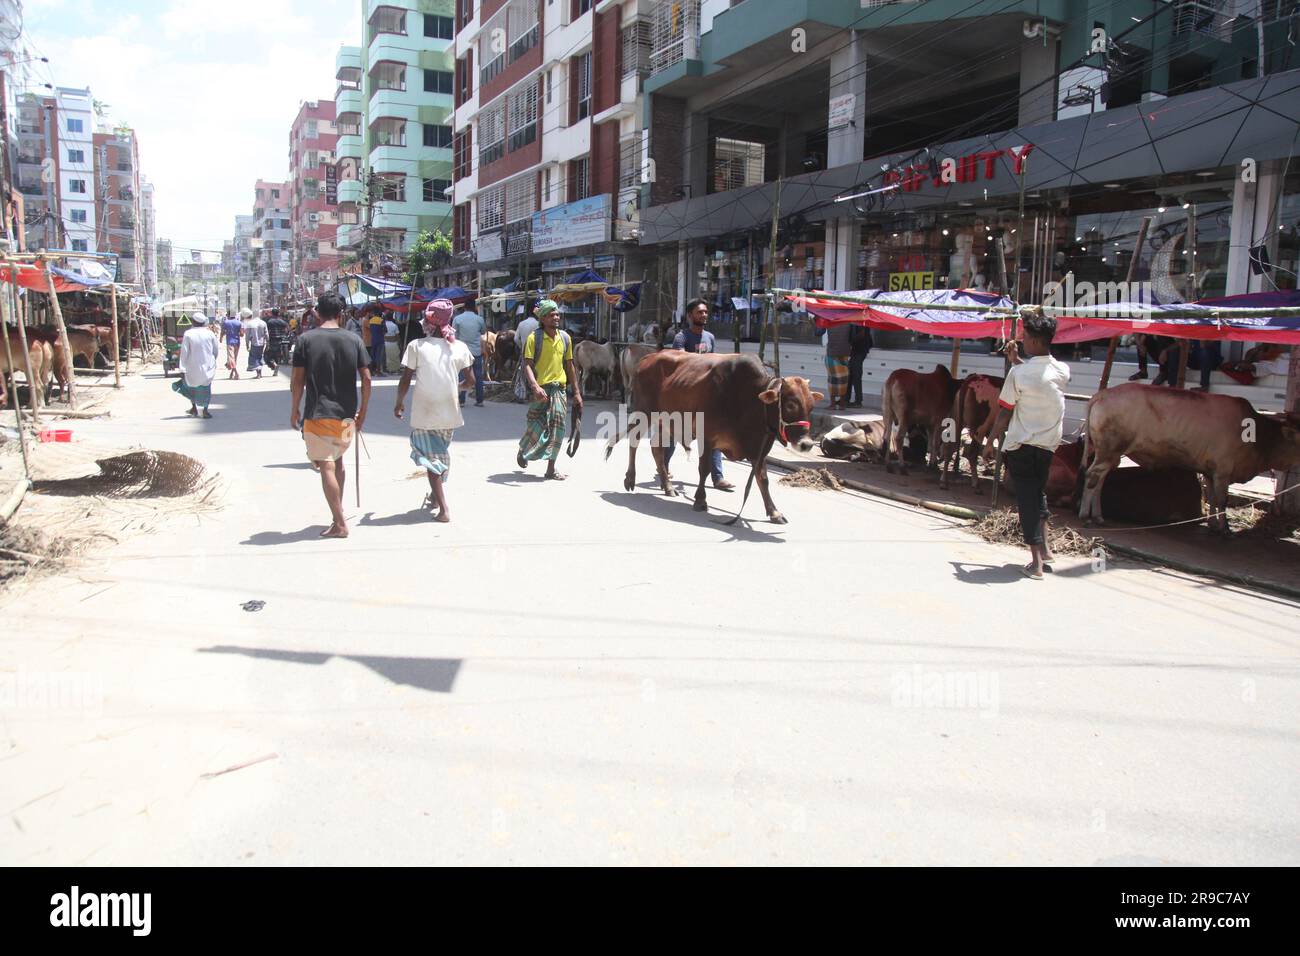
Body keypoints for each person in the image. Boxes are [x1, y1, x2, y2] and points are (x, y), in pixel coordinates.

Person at [987, 315, 1071, 580]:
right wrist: (1016, 361)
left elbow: (1004, 414)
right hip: (1047, 447)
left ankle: (1035, 564)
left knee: (1027, 501)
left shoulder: (1018, 374)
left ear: (1034, 341)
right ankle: (1045, 550)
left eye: (1024, 337)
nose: (1021, 340)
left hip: (1022, 446)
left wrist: (989, 443)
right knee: (1037, 493)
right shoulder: (1062, 371)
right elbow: (1038, 377)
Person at [290, 291, 372, 539]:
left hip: (317, 414)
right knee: (338, 461)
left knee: (325, 465)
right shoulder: (354, 339)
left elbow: (297, 380)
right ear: (341, 314)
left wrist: (294, 408)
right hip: (347, 415)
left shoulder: (306, 340)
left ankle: (339, 523)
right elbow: (367, 379)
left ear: (317, 312)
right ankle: (338, 512)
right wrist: (363, 412)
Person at [394, 299, 475, 522]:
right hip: (450, 411)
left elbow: (405, 379)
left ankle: (443, 508)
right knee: (439, 454)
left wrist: (399, 402)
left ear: (428, 322)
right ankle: (434, 495)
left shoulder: (416, 346)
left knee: (431, 460)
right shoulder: (459, 347)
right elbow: (471, 381)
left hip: (425, 411)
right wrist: (454, 387)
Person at [664, 299, 734, 491]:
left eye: (705, 312)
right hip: (686, 395)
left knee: (712, 434)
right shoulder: (681, 338)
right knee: (673, 433)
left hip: (707, 395)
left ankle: (718, 477)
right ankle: (663, 467)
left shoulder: (710, 337)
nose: (703, 315)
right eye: (699, 312)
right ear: (690, 316)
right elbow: (678, 365)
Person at [516, 300, 581, 480]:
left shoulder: (565, 338)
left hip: (559, 390)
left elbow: (570, 366)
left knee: (557, 429)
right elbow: (527, 365)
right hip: (540, 390)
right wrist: (535, 386)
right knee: (535, 426)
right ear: (543, 318)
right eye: (551, 315)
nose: (556, 318)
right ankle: (524, 449)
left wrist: (576, 392)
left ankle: (551, 468)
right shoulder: (533, 338)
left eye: (557, 314)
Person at [172, 312, 219, 418]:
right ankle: (205, 411)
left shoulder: (188, 334)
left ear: (193, 322)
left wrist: (182, 368)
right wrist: (212, 361)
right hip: (208, 366)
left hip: (191, 367)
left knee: (191, 388)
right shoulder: (210, 333)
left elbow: (184, 352)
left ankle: (194, 407)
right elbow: (215, 350)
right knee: (206, 388)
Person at [452, 298, 487, 407]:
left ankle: (461, 401)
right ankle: (480, 400)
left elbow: (454, 335)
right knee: (478, 376)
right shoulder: (479, 319)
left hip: (462, 352)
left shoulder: (457, 319)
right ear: (474, 307)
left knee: (462, 375)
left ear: (464, 307)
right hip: (476, 352)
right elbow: (483, 332)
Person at [824, 321, 852, 410]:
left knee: (835, 379)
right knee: (841, 379)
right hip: (842, 352)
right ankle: (839, 403)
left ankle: (837, 403)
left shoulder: (829, 320)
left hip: (837, 353)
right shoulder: (849, 321)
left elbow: (818, 332)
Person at [847, 323, 872, 408]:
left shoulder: (861, 320)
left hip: (859, 350)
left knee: (856, 375)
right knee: (850, 375)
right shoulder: (857, 319)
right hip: (857, 350)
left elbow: (861, 334)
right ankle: (847, 399)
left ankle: (858, 401)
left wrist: (849, 340)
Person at [242, 307, 269, 379]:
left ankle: (258, 374)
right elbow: (266, 334)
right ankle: (260, 373)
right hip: (262, 343)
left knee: (255, 358)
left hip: (254, 343)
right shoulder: (263, 323)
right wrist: (268, 343)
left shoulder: (250, 323)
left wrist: (247, 345)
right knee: (259, 357)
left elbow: (247, 336)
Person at [265, 308, 290, 372]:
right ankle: (282, 361)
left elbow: (268, 331)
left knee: (267, 354)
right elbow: (287, 329)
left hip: (273, 339)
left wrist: (266, 339)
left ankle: (274, 365)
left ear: (272, 313)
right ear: (278, 314)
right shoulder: (282, 321)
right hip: (283, 338)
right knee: (279, 352)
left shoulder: (270, 321)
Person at [221, 311, 243, 379]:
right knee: (234, 358)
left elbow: (222, 331)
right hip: (237, 342)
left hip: (230, 342)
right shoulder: (239, 323)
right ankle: (231, 374)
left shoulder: (226, 322)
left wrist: (221, 338)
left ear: (228, 315)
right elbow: (242, 334)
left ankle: (236, 373)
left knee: (231, 358)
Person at [367, 307, 388, 376]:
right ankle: (378, 371)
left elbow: (370, 329)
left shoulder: (371, 320)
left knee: (373, 355)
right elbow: (385, 330)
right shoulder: (381, 320)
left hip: (373, 340)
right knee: (379, 356)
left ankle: (371, 371)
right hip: (380, 340)